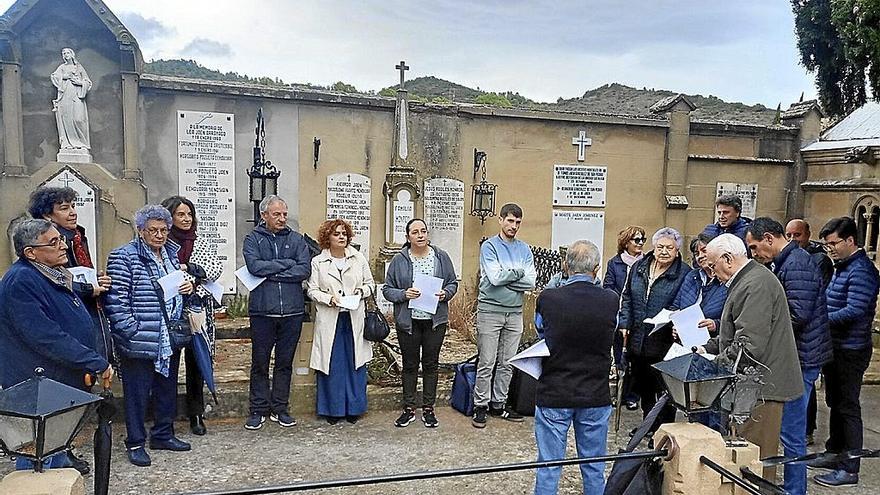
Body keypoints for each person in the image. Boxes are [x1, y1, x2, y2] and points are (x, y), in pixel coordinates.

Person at [0, 219, 112, 471]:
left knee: (56, 448)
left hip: (57, 384)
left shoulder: (51, 274)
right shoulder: (22, 281)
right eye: (53, 242)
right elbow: (45, 336)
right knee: (38, 457)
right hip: (37, 386)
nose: (63, 246)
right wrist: (94, 361)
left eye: (60, 239)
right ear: (31, 252)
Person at [699, 233, 804, 481]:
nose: (713, 273)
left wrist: (716, 365)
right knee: (743, 455)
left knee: (755, 459)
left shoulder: (755, 284)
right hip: (753, 384)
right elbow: (734, 331)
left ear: (727, 259)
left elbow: (749, 345)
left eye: (713, 266)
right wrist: (707, 349)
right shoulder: (747, 281)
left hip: (762, 387)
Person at [105, 205, 197, 467]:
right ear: (141, 231)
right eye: (153, 230)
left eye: (164, 230)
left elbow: (176, 290)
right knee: (137, 393)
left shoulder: (170, 254)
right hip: (140, 336)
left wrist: (187, 287)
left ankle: (163, 434)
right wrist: (130, 330)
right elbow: (117, 300)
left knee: (166, 388)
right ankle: (135, 442)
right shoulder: (124, 256)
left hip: (167, 335)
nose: (159, 235)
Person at [745, 218, 831, 495]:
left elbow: (797, 314)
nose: (755, 253)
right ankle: (793, 486)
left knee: (792, 432)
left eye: (756, 247)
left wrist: (762, 326)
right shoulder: (787, 262)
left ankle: (796, 490)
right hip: (797, 356)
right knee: (789, 430)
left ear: (769, 238)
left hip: (802, 358)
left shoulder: (796, 264)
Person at [533, 240, 618, 495]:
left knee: (549, 465)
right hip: (594, 391)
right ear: (596, 268)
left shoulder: (549, 298)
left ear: (564, 266)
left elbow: (541, 331)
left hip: (555, 390)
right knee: (593, 465)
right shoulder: (610, 300)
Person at [808, 217, 879, 487]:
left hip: (851, 349)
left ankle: (850, 467)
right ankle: (834, 452)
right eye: (827, 245)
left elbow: (855, 311)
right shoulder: (843, 266)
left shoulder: (862, 271)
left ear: (851, 240)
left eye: (834, 243)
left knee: (848, 407)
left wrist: (820, 319)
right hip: (835, 347)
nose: (831, 249)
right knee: (835, 404)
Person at [242, 195, 311, 430]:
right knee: (260, 362)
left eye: (284, 214)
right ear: (264, 216)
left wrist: (271, 272)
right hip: (263, 311)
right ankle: (258, 409)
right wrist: (286, 263)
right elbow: (255, 267)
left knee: (284, 362)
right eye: (276, 214)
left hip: (292, 311)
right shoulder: (252, 239)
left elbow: (303, 269)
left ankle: (280, 407)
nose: (282, 218)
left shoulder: (296, 239)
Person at [384, 219, 459, 428]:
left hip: (434, 321)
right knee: (409, 365)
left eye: (423, 231)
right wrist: (403, 294)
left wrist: (446, 293)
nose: (420, 235)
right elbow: (387, 290)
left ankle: (428, 408)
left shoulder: (440, 257)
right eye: (415, 232)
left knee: (430, 364)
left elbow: (453, 282)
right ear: (408, 237)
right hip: (409, 321)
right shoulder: (399, 260)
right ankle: (408, 408)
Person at [28, 186, 113, 362]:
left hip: (88, 308)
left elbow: (78, 271)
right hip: (69, 312)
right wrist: (88, 289)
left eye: (73, 206)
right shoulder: (44, 242)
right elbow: (51, 279)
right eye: (64, 208)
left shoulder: (76, 235)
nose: (73, 212)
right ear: (47, 215)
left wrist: (96, 280)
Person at [162, 195, 223, 436]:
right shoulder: (163, 243)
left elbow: (214, 269)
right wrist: (192, 275)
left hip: (199, 309)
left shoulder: (200, 241)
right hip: (172, 310)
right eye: (180, 214)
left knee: (197, 361)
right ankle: (164, 416)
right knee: (170, 361)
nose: (186, 219)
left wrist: (190, 271)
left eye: (189, 214)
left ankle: (196, 413)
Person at [472, 203, 536, 428]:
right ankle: (481, 405)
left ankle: (498, 404)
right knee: (487, 361)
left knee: (507, 362)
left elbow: (531, 282)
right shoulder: (489, 247)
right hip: (490, 311)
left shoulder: (524, 249)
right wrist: (517, 275)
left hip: (515, 313)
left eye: (518, 222)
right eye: (510, 220)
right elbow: (494, 278)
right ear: (500, 220)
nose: (514, 226)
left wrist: (507, 275)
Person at [618, 227, 688, 430]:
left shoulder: (684, 273)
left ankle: (664, 428)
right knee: (644, 385)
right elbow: (627, 297)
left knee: (665, 387)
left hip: (664, 341)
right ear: (653, 247)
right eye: (660, 247)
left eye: (670, 248)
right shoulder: (639, 267)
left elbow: (682, 303)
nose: (664, 251)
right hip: (638, 338)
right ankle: (648, 426)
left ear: (677, 251)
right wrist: (624, 323)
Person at [307, 219, 374, 424]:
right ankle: (332, 410)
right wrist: (329, 299)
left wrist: (360, 292)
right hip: (331, 319)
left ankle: (354, 408)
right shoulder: (318, 262)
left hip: (353, 318)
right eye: (336, 234)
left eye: (344, 233)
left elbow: (370, 284)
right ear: (328, 237)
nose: (342, 237)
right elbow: (312, 289)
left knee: (355, 363)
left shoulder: (358, 258)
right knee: (332, 364)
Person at [785, 218, 834, 446]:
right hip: (804, 344)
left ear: (807, 234)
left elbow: (801, 310)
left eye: (798, 235)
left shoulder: (810, 261)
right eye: (789, 235)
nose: (793, 240)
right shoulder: (791, 261)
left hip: (808, 345)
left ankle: (807, 431)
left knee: (801, 403)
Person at [603, 226, 646, 411]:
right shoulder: (615, 263)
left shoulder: (646, 263)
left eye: (642, 239)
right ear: (626, 243)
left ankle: (632, 395)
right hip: (619, 316)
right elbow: (608, 286)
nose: (640, 243)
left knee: (635, 358)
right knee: (620, 355)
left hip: (640, 318)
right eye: (636, 240)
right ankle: (618, 394)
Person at [51, 47, 91, 150]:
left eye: (67, 52)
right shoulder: (61, 67)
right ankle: (68, 143)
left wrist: (80, 83)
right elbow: (55, 77)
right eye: (63, 53)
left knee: (79, 119)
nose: (65, 54)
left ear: (72, 54)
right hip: (65, 96)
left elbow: (88, 83)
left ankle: (82, 143)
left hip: (77, 95)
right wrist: (64, 77)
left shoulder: (78, 67)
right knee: (67, 119)